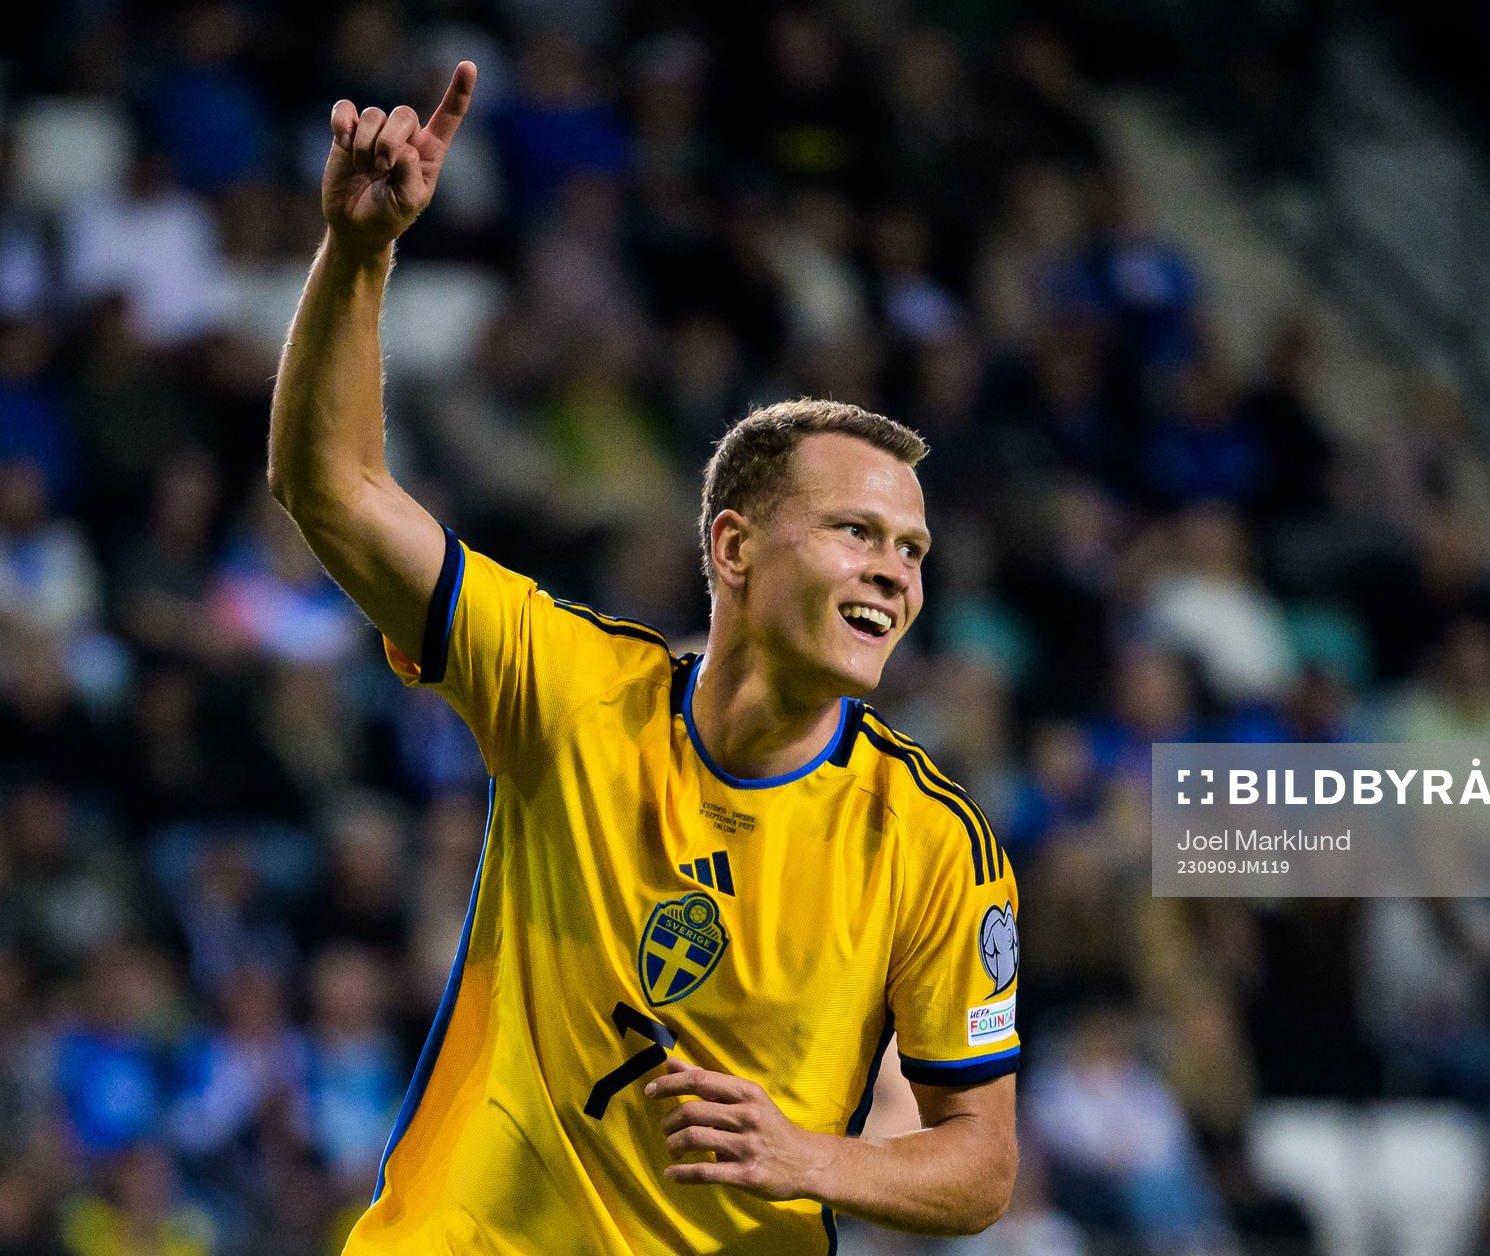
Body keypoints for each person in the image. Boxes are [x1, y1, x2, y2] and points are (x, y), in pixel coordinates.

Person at [267, 63, 1020, 1253]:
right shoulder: (568, 687)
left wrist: (808, 1155)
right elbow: (337, 491)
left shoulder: (930, 843)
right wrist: (358, 258)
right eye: (856, 532)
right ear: (732, 545)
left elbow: (980, 1162)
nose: (896, 571)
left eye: (913, 549)